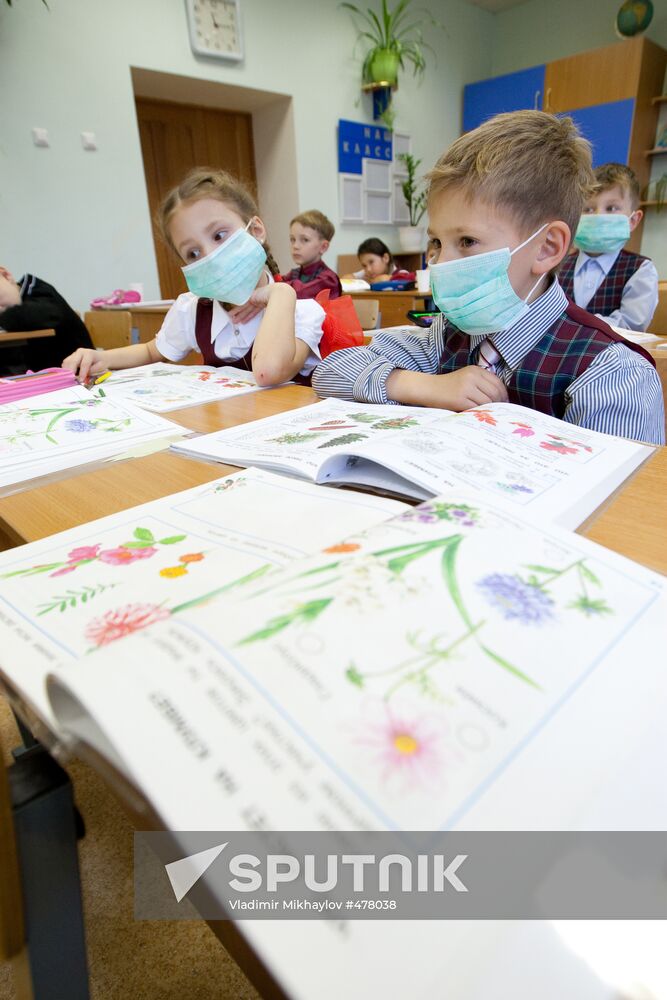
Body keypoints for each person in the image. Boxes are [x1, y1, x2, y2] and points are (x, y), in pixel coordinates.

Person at [313, 111, 664, 446]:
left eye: (467, 241)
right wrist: (424, 386)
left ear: (546, 248)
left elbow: (615, 503)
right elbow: (331, 371)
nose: (441, 262)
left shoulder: (611, 374)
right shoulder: (447, 336)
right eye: (436, 242)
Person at [63, 168, 329, 387]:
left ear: (256, 229)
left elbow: (268, 372)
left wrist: (281, 293)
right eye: (192, 253)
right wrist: (101, 357)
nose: (210, 256)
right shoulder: (194, 309)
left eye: (218, 235)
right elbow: (152, 351)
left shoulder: (301, 310)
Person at [559, 162, 658, 331]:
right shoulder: (558, 267)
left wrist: (574, 325)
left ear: (633, 220)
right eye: (588, 209)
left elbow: (631, 325)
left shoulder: (640, 270)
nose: (598, 216)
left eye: (611, 208)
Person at [0, 267, 93, 372]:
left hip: (79, 374)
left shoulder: (39, 291)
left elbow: (23, 316)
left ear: (5, 275)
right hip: (38, 376)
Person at [280, 210, 342, 300]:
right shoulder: (294, 274)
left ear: (323, 247)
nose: (295, 246)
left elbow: (298, 293)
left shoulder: (328, 279)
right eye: (292, 239)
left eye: (305, 240)